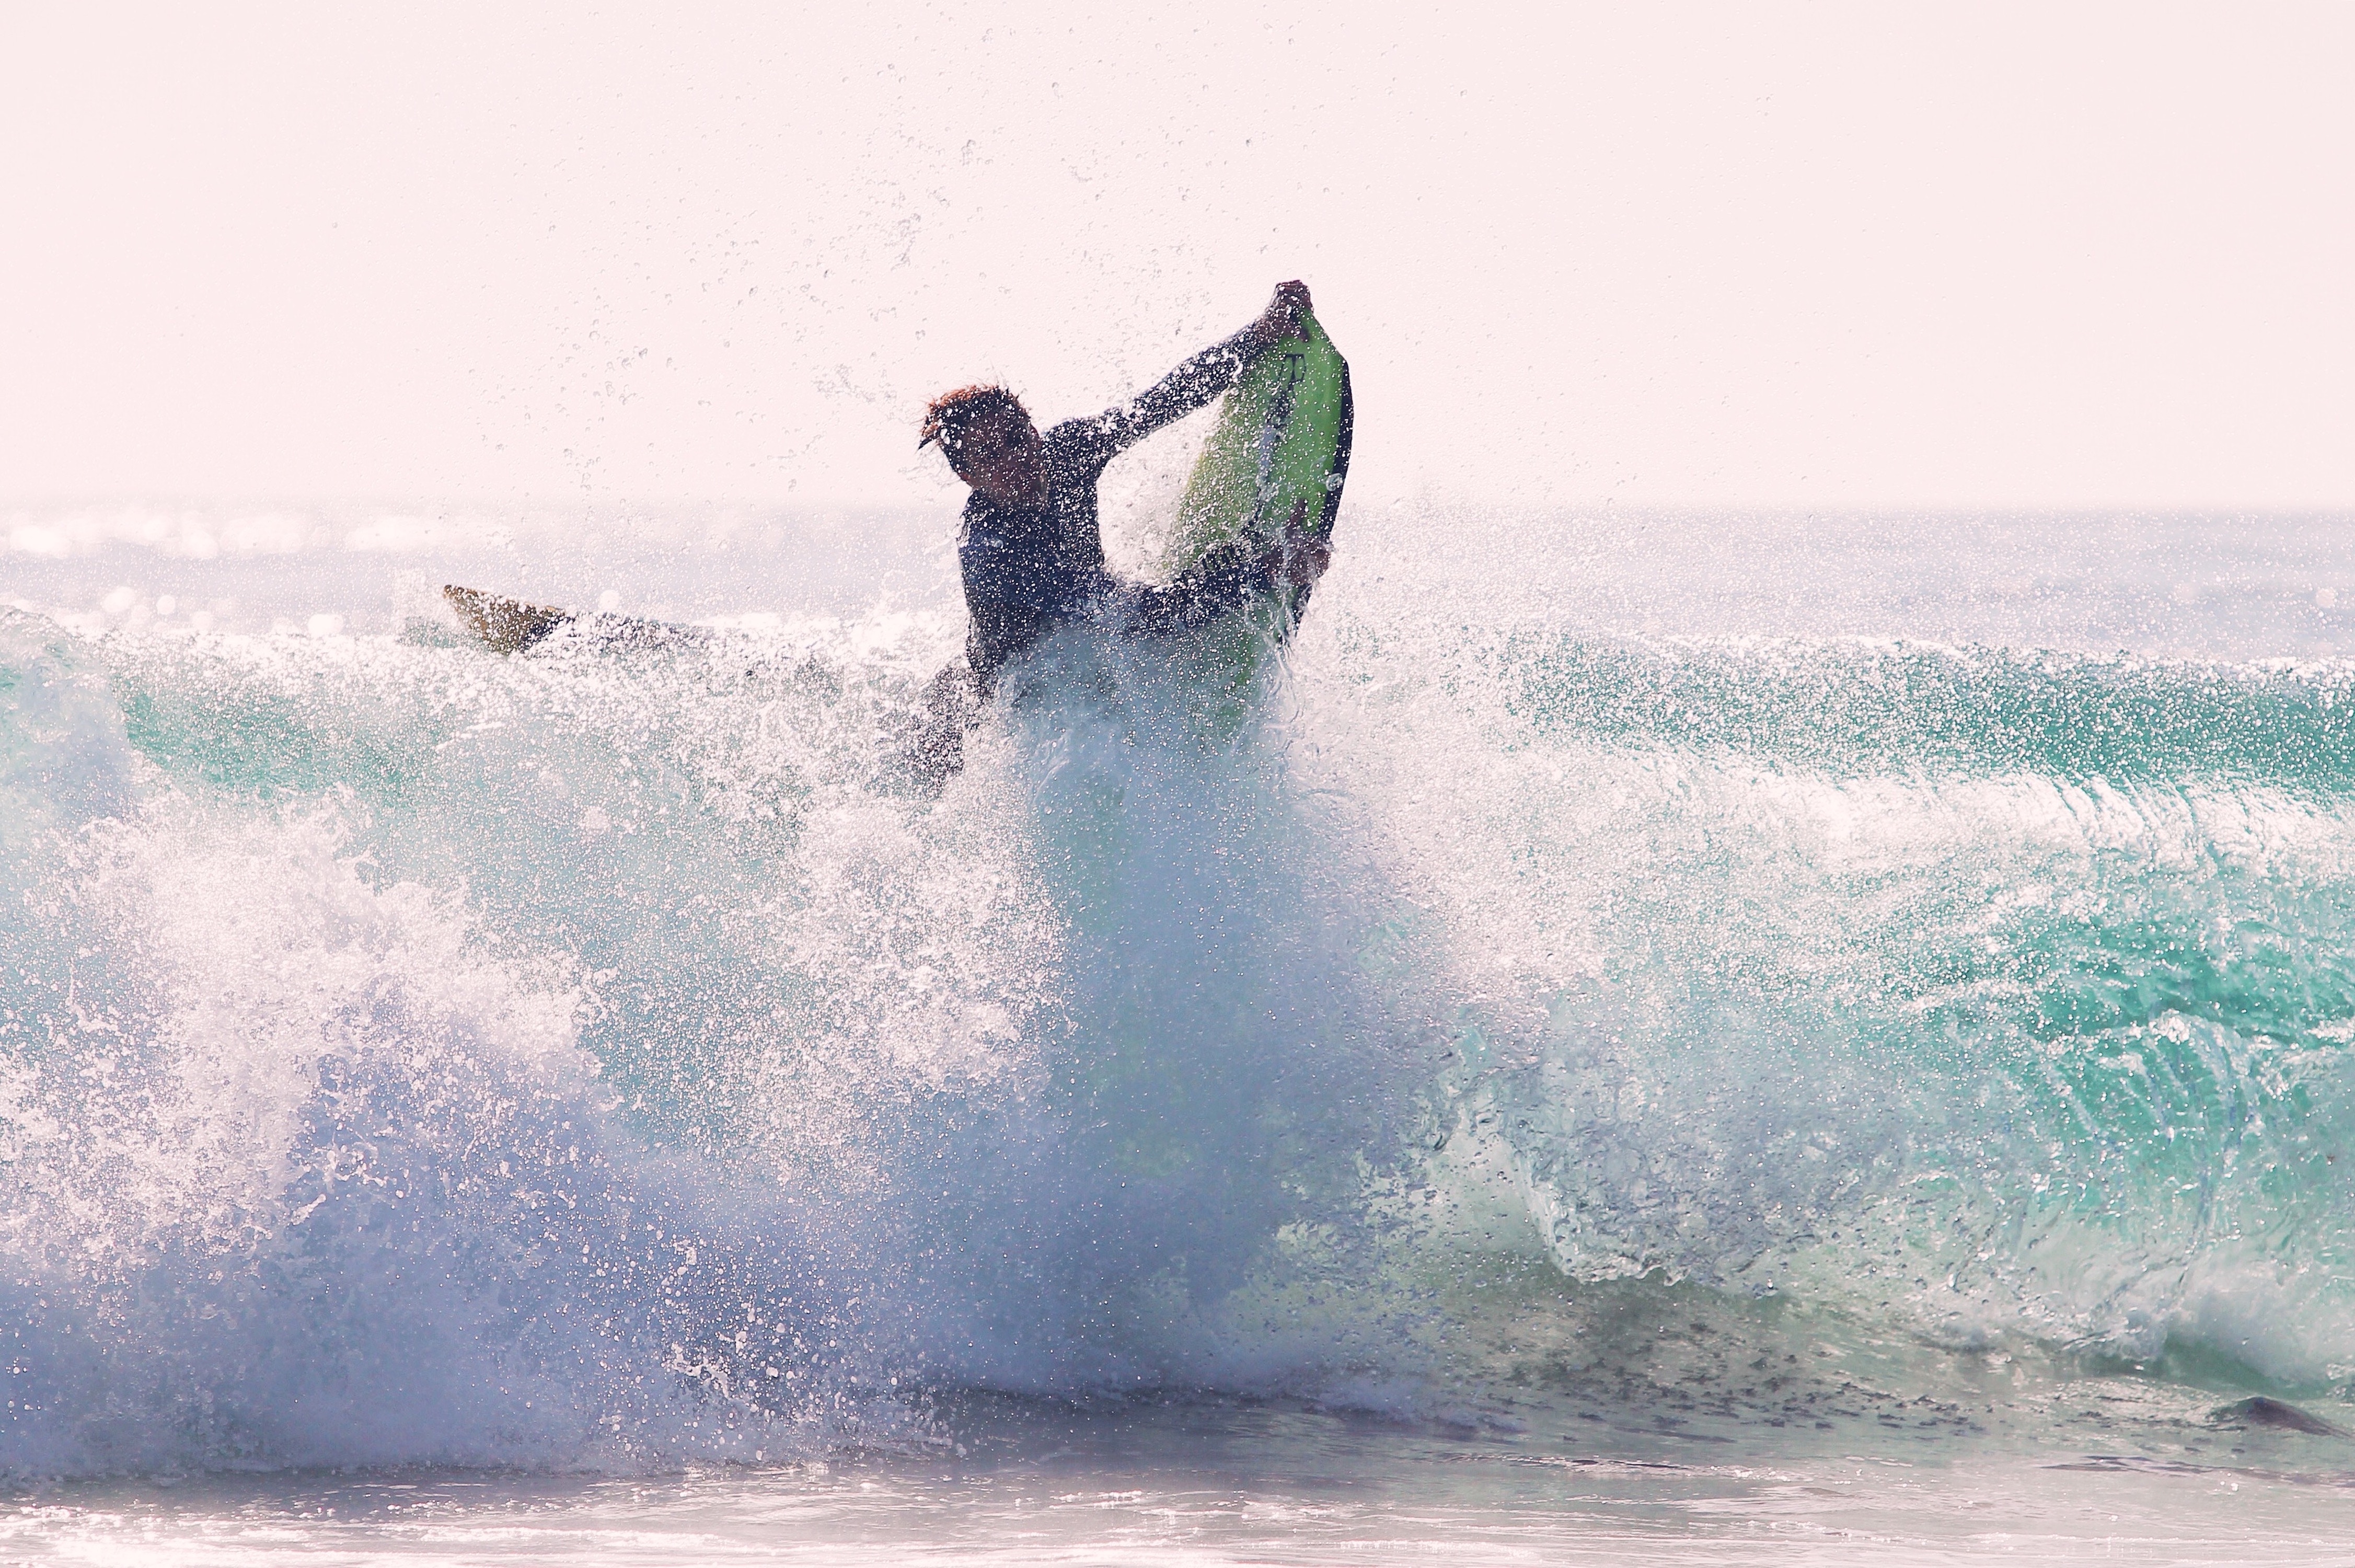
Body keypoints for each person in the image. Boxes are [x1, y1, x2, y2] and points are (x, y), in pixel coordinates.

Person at [908, 282, 1333, 778]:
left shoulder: (1067, 451)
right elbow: (1136, 615)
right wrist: (1259, 571)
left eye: (1016, 438)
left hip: (1086, 636)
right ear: (967, 476)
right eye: (990, 457)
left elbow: (1162, 401)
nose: (1015, 460)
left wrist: (1256, 337)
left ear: (1031, 424)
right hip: (1006, 698)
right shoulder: (993, 552)